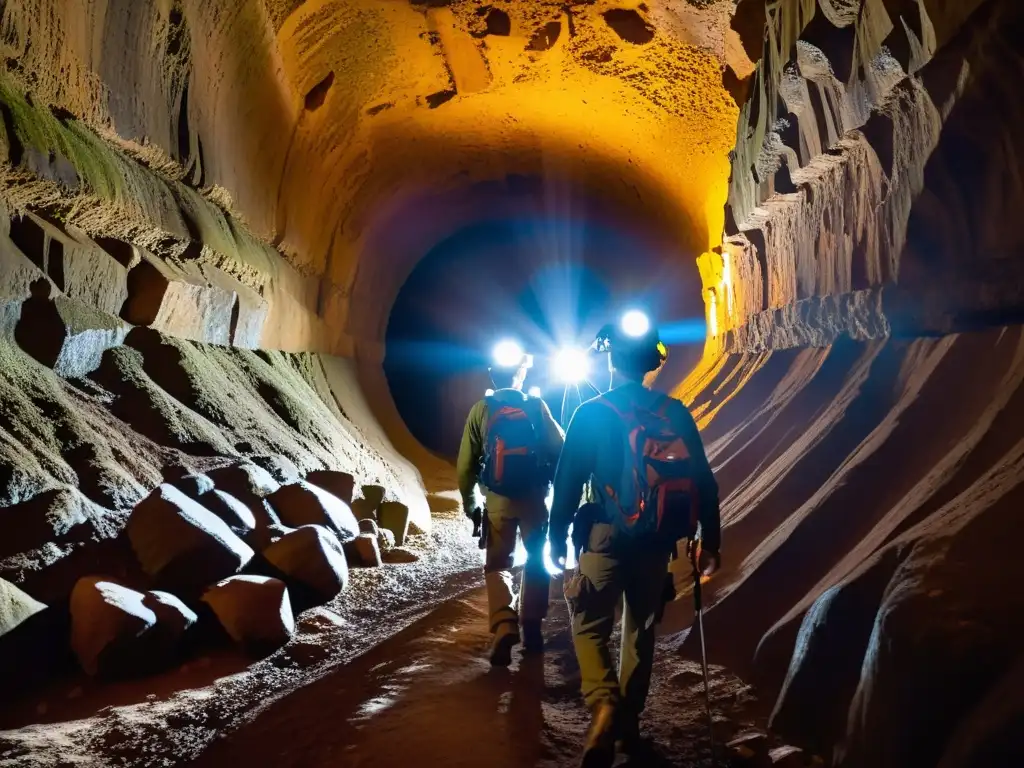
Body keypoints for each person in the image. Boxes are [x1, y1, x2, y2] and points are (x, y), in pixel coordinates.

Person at [547, 320, 721, 767]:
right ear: (651, 363)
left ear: (609, 358)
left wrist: (555, 538)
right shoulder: (674, 412)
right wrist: (709, 541)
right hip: (656, 544)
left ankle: (604, 702)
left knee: (587, 623)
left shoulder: (591, 412)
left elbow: (566, 484)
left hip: (603, 538)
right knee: (640, 631)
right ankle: (628, 726)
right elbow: (703, 479)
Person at [456, 350, 565, 666]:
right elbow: (560, 449)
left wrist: (471, 504)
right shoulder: (535, 406)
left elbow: (465, 466)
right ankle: (531, 625)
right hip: (533, 499)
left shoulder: (481, 410)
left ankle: (504, 623)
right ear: (521, 374)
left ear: (493, 374)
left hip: (498, 502)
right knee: (535, 559)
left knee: (498, 564)